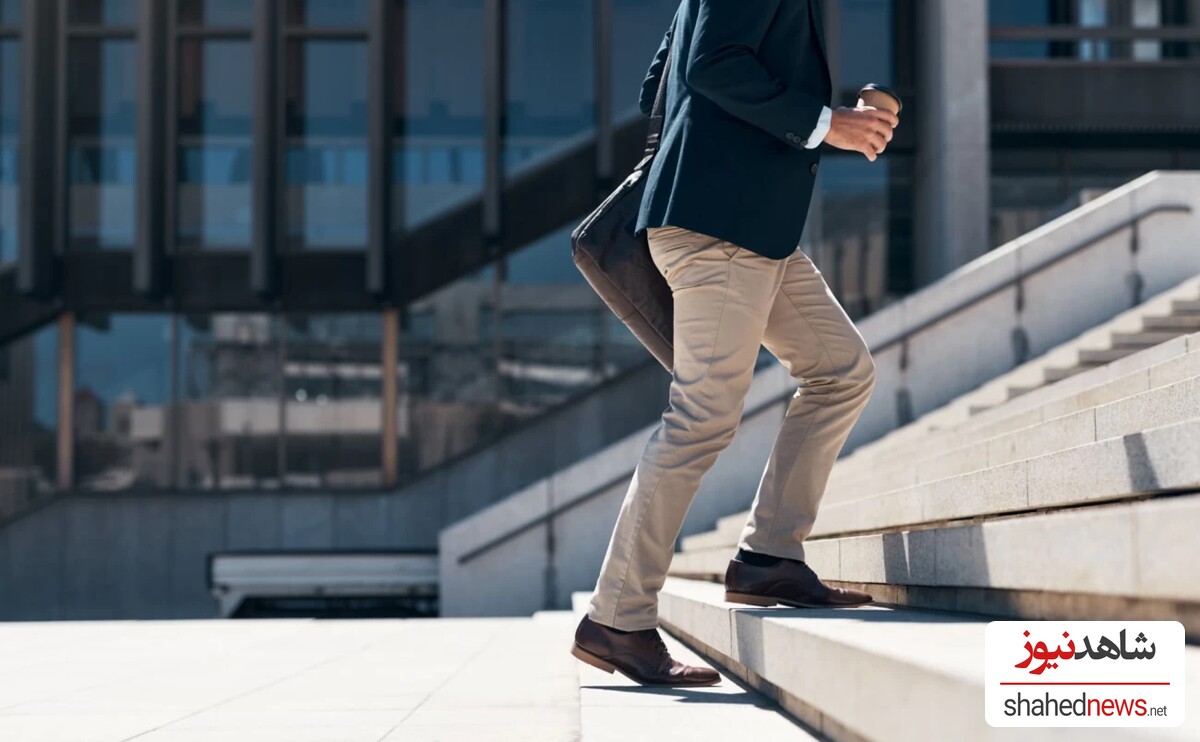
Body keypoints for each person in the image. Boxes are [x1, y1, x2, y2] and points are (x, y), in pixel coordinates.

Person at [571, 0, 900, 687]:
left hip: (755, 227)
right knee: (701, 418)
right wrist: (825, 124)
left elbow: (660, 81)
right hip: (719, 228)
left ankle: (769, 556)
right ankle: (617, 619)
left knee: (840, 370)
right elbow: (709, 64)